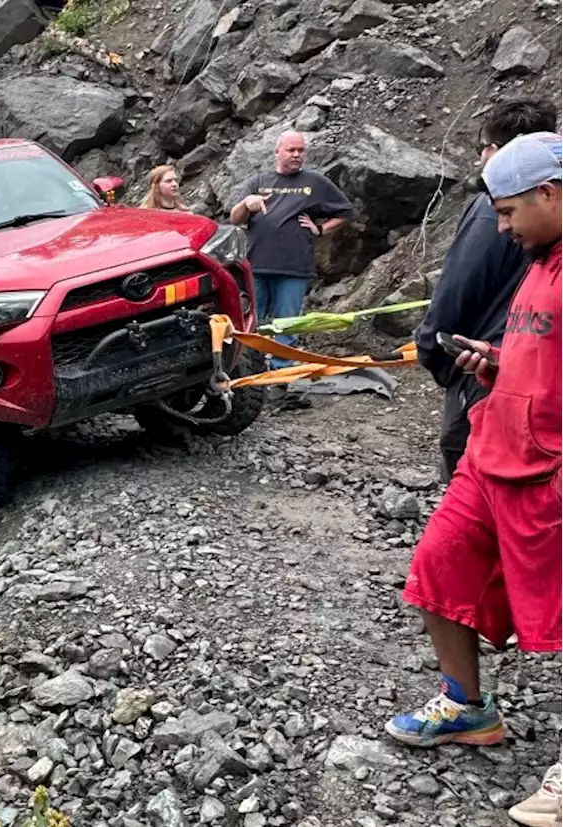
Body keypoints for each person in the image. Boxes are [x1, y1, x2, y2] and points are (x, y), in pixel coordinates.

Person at [383, 132, 563, 827]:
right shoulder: (542, 257)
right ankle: (466, 706)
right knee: (437, 567)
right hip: (492, 454)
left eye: (511, 210)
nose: (502, 226)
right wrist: (499, 365)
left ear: (548, 193)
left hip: (546, 471)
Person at [415, 99, 558, 482]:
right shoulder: (545, 238)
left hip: (487, 375)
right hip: (514, 370)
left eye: (485, 148)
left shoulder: (489, 208)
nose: (503, 224)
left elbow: (459, 286)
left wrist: (434, 349)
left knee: (474, 474)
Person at [228, 131, 355, 365]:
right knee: (251, 322)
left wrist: (320, 229)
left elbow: (345, 211)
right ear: (277, 151)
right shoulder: (259, 181)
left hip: (294, 267)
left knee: (287, 323)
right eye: (291, 150)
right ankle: (251, 370)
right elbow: (235, 218)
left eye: (300, 150)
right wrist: (247, 203)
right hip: (256, 265)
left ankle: (281, 377)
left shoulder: (315, 182)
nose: (297, 155)